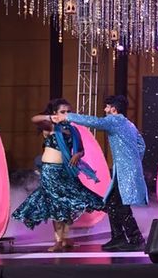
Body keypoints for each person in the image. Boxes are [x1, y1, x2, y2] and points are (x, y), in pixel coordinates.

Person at [54, 95, 148, 251]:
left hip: (126, 170)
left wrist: (68, 116)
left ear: (113, 109)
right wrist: (134, 161)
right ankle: (118, 238)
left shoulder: (115, 120)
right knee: (112, 202)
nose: (105, 110)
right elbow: (141, 145)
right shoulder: (129, 124)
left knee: (120, 204)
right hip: (128, 169)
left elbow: (94, 122)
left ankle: (135, 238)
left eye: (107, 107)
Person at [12, 99, 104, 251]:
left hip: (67, 169)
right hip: (51, 171)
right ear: (55, 113)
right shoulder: (51, 127)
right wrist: (49, 118)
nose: (66, 114)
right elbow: (34, 119)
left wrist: (77, 155)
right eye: (63, 112)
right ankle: (58, 240)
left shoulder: (74, 130)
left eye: (68, 111)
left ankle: (65, 238)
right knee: (55, 204)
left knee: (66, 203)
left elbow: (81, 149)